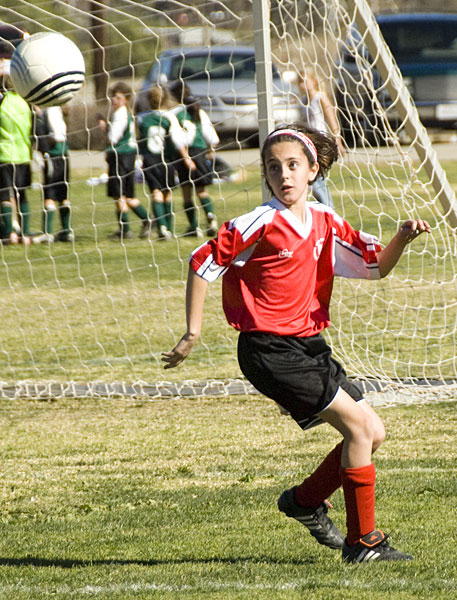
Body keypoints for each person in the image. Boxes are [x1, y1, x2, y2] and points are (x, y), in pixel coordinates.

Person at [161, 123, 431, 563]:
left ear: (312, 170)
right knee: (359, 430)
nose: (283, 175)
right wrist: (192, 332)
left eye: (292, 165)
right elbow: (201, 261)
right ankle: (362, 543)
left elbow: (375, 267)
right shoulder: (260, 222)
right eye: (273, 167)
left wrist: (401, 237)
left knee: (373, 433)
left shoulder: (325, 220)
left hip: (308, 345)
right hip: (268, 349)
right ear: (265, 175)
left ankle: (305, 501)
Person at [136, 85, 194, 240]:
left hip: (149, 159)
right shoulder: (170, 117)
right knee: (167, 192)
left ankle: (161, 227)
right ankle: (167, 228)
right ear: (166, 98)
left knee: (156, 192)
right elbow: (178, 140)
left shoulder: (143, 118)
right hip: (166, 160)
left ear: (149, 100)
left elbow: (139, 139)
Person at [97, 82, 150, 240]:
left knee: (119, 194)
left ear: (126, 99)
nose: (115, 100)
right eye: (113, 97)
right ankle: (147, 220)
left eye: (119, 97)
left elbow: (114, 138)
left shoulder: (120, 113)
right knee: (127, 194)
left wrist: (105, 131)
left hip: (121, 156)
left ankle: (125, 230)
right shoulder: (126, 112)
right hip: (128, 156)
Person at [168, 81, 219, 237]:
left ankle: (193, 226)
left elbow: (176, 139)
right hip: (200, 152)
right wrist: (209, 151)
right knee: (201, 190)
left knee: (186, 192)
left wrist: (185, 157)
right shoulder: (198, 110)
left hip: (185, 153)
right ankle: (211, 218)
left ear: (174, 96)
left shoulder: (174, 114)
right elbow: (212, 137)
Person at [298, 70, 345, 209]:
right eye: (300, 82)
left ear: (314, 81)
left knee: (317, 177)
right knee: (312, 178)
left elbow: (331, 118)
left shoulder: (320, 97)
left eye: (305, 81)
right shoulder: (303, 101)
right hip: (308, 143)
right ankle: (323, 207)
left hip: (320, 143)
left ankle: (328, 208)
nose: (302, 84)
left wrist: (338, 140)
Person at [0, 57, 33, 245]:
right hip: (23, 155)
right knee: (22, 194)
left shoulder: (3, 103)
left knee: (4, 194)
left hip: (5, 154)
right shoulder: (24, 103)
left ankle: (9, 233)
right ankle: (25, 233)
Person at [33, 105, 73, 243]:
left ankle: (48, 233)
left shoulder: (51, 110)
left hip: (54, 156)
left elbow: (56, 135)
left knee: (50, 194)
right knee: (62, 194)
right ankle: (66, 231)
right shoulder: (55, 110)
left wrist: (46, 143)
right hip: (63, 155)